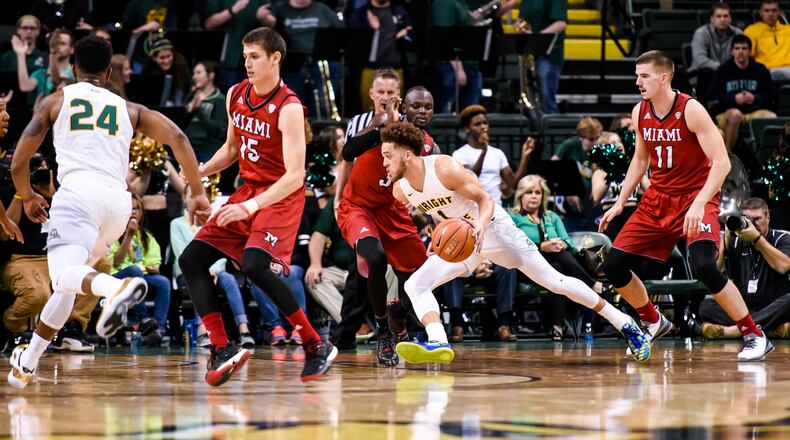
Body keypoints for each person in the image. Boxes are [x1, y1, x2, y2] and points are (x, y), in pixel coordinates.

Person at [7, 35, 210, 389]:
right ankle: (28, 361)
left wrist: (26, 196)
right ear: (108, 70)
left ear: (73, 67)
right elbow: (178, 137)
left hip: (78, 197)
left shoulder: (56, 100)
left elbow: (19, 163)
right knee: (68, 286)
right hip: (117, 204)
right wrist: (197, 193)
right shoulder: (128, 108)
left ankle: (115, 288)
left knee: (64, 277)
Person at [380, 122, 650, 364]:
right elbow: (441, 210)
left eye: (387, 155)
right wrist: (439, 237)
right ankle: (438, 340)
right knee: (416, 284)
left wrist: (480, 225)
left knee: (556, 282)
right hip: (465, 240)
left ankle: (625, 323)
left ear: (406, 154)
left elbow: (484, 200)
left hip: (495, 229)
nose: (384, 162)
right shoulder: (401, 189)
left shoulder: (443, 167)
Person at [177, 28, 336, 386]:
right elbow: (232, 151)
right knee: (191, 259)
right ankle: (222, 347)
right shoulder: (235, 94)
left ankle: (314, 344)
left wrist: (250, 208)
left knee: (254, 265)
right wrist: (197, 173)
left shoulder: (290, 107)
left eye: (255, 56)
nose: (247, 63)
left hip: (279, 195)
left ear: (275, 58)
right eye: (245, 56)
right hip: (249, 190)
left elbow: (296, 176)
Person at [599, 50, 773, 362]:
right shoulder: (640, 111)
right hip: (658, 198)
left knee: (704, 265)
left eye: (644, 76)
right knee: (613, 265)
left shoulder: (691, 110)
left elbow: (721, 164)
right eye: (637, 76)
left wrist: (699, 203)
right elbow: (641, 159)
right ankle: (653, 320)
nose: (637, 81)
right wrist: (621, 201)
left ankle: (753, 334)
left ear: (663, 77)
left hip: (696, 196)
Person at [334, 86, 438, 366]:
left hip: (393, 210)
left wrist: (430, 218)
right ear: (405, 108)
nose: (422, 112)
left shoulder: (429, 146)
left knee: (425, 274)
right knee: (375, 258)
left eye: (428, 107)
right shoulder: (384, 125)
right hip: (359, 207)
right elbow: (348, 151)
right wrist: (383, 130)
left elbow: (431, 189)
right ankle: (382, 330)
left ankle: (398, 311)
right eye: (416, 106)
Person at [510, 174, 605, 341]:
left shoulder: (551, 217)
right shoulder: (514, 217)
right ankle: (591, 284)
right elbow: (513, 246)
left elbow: (568, 241)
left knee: (557, 267)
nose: (534, 196)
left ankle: (557, 328)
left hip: (554, 265)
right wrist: (541, 246)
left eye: (538, 192)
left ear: (543, 196)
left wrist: (561, 244)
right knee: (557, 262)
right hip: (527, 268)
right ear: (521, 195)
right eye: (529, 192)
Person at [700, 198, 790, 339]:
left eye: (757, 219)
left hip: (774, 306)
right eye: (748, 219)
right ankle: (772, 330)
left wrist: (756, 239)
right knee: (706, 306)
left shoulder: (782, 237)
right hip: (745, 308)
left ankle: (734, 331)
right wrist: (727, 239)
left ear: (768, 218)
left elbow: (783, 266)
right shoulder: (737, 241)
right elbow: (715, 272)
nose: (753, 224)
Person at [708, 34, 776, 153]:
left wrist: (755, 97)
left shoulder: (760, 69)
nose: (741, 52)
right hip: (727, 112)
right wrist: (734, 98)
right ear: (732, 51)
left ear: (750, 52)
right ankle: (728, 157)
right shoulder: (722, 69)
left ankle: (765, 156)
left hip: (752, 112)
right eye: (737, 48)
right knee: (735, 115)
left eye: (744, 49)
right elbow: (711, 95)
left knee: (771, 117)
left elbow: (771, 94)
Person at [516, 0, 567, 114]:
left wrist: (536, 37)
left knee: (546, 100)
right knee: (532, 102)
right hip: (530, 53)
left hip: (549, 54)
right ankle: (538, 129)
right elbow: (522, 19)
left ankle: (552, 129)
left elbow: (561, 23)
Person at [689, 3, 742, 103]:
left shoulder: (738, 33)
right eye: (719, 16)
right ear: (712, 19)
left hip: (729, 75)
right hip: (704, 77)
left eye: (726, 16)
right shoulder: (701, 33)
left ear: (730, 18)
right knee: (706, 72)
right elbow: (700, 60)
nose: (722, 19)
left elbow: (744, 55)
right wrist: (723, 69)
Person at [184, 61, 228, 163]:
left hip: (206, 151)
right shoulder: (191, 96)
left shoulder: (220, 99)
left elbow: (218, 129)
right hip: (187, 146)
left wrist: (198, 110)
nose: (194, 77)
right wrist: (189, 112)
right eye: (194, 73)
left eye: (198, 73)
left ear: (211, 75)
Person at [743, 1, 790, 80]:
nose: (771, 14)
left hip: (788, 69)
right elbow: (747, 55)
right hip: (764, 70)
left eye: (774, 10)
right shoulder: (751, 31)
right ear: (761, 13)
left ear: (779, 12)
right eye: (767, 11)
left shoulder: (788, 29)